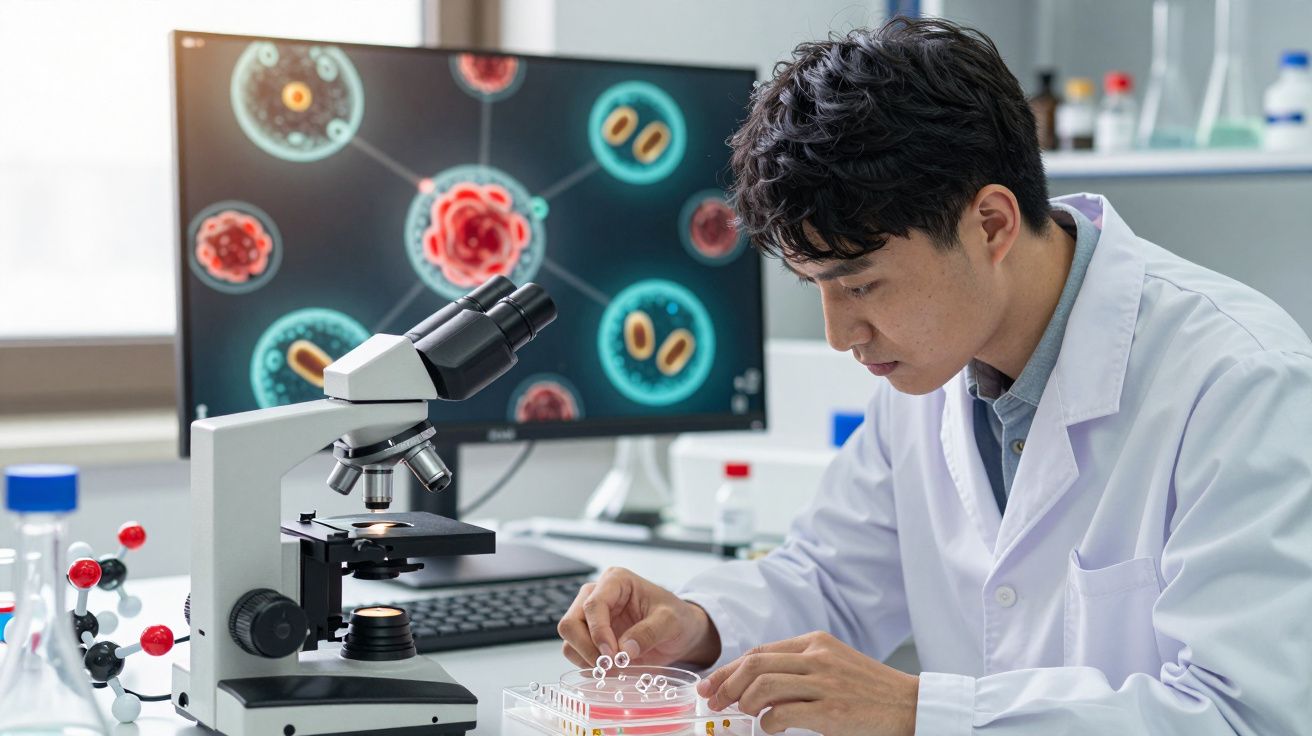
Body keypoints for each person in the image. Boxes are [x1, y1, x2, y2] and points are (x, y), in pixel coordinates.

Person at [557, 17, 1312, 736]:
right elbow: (831, 580)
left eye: (860, 285)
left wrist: (919, 712)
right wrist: (698, 623)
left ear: (990, 224)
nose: (838, 334)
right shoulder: (932, 365)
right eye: (813, 285)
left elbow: (1240, 715)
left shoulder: (1240, 382)